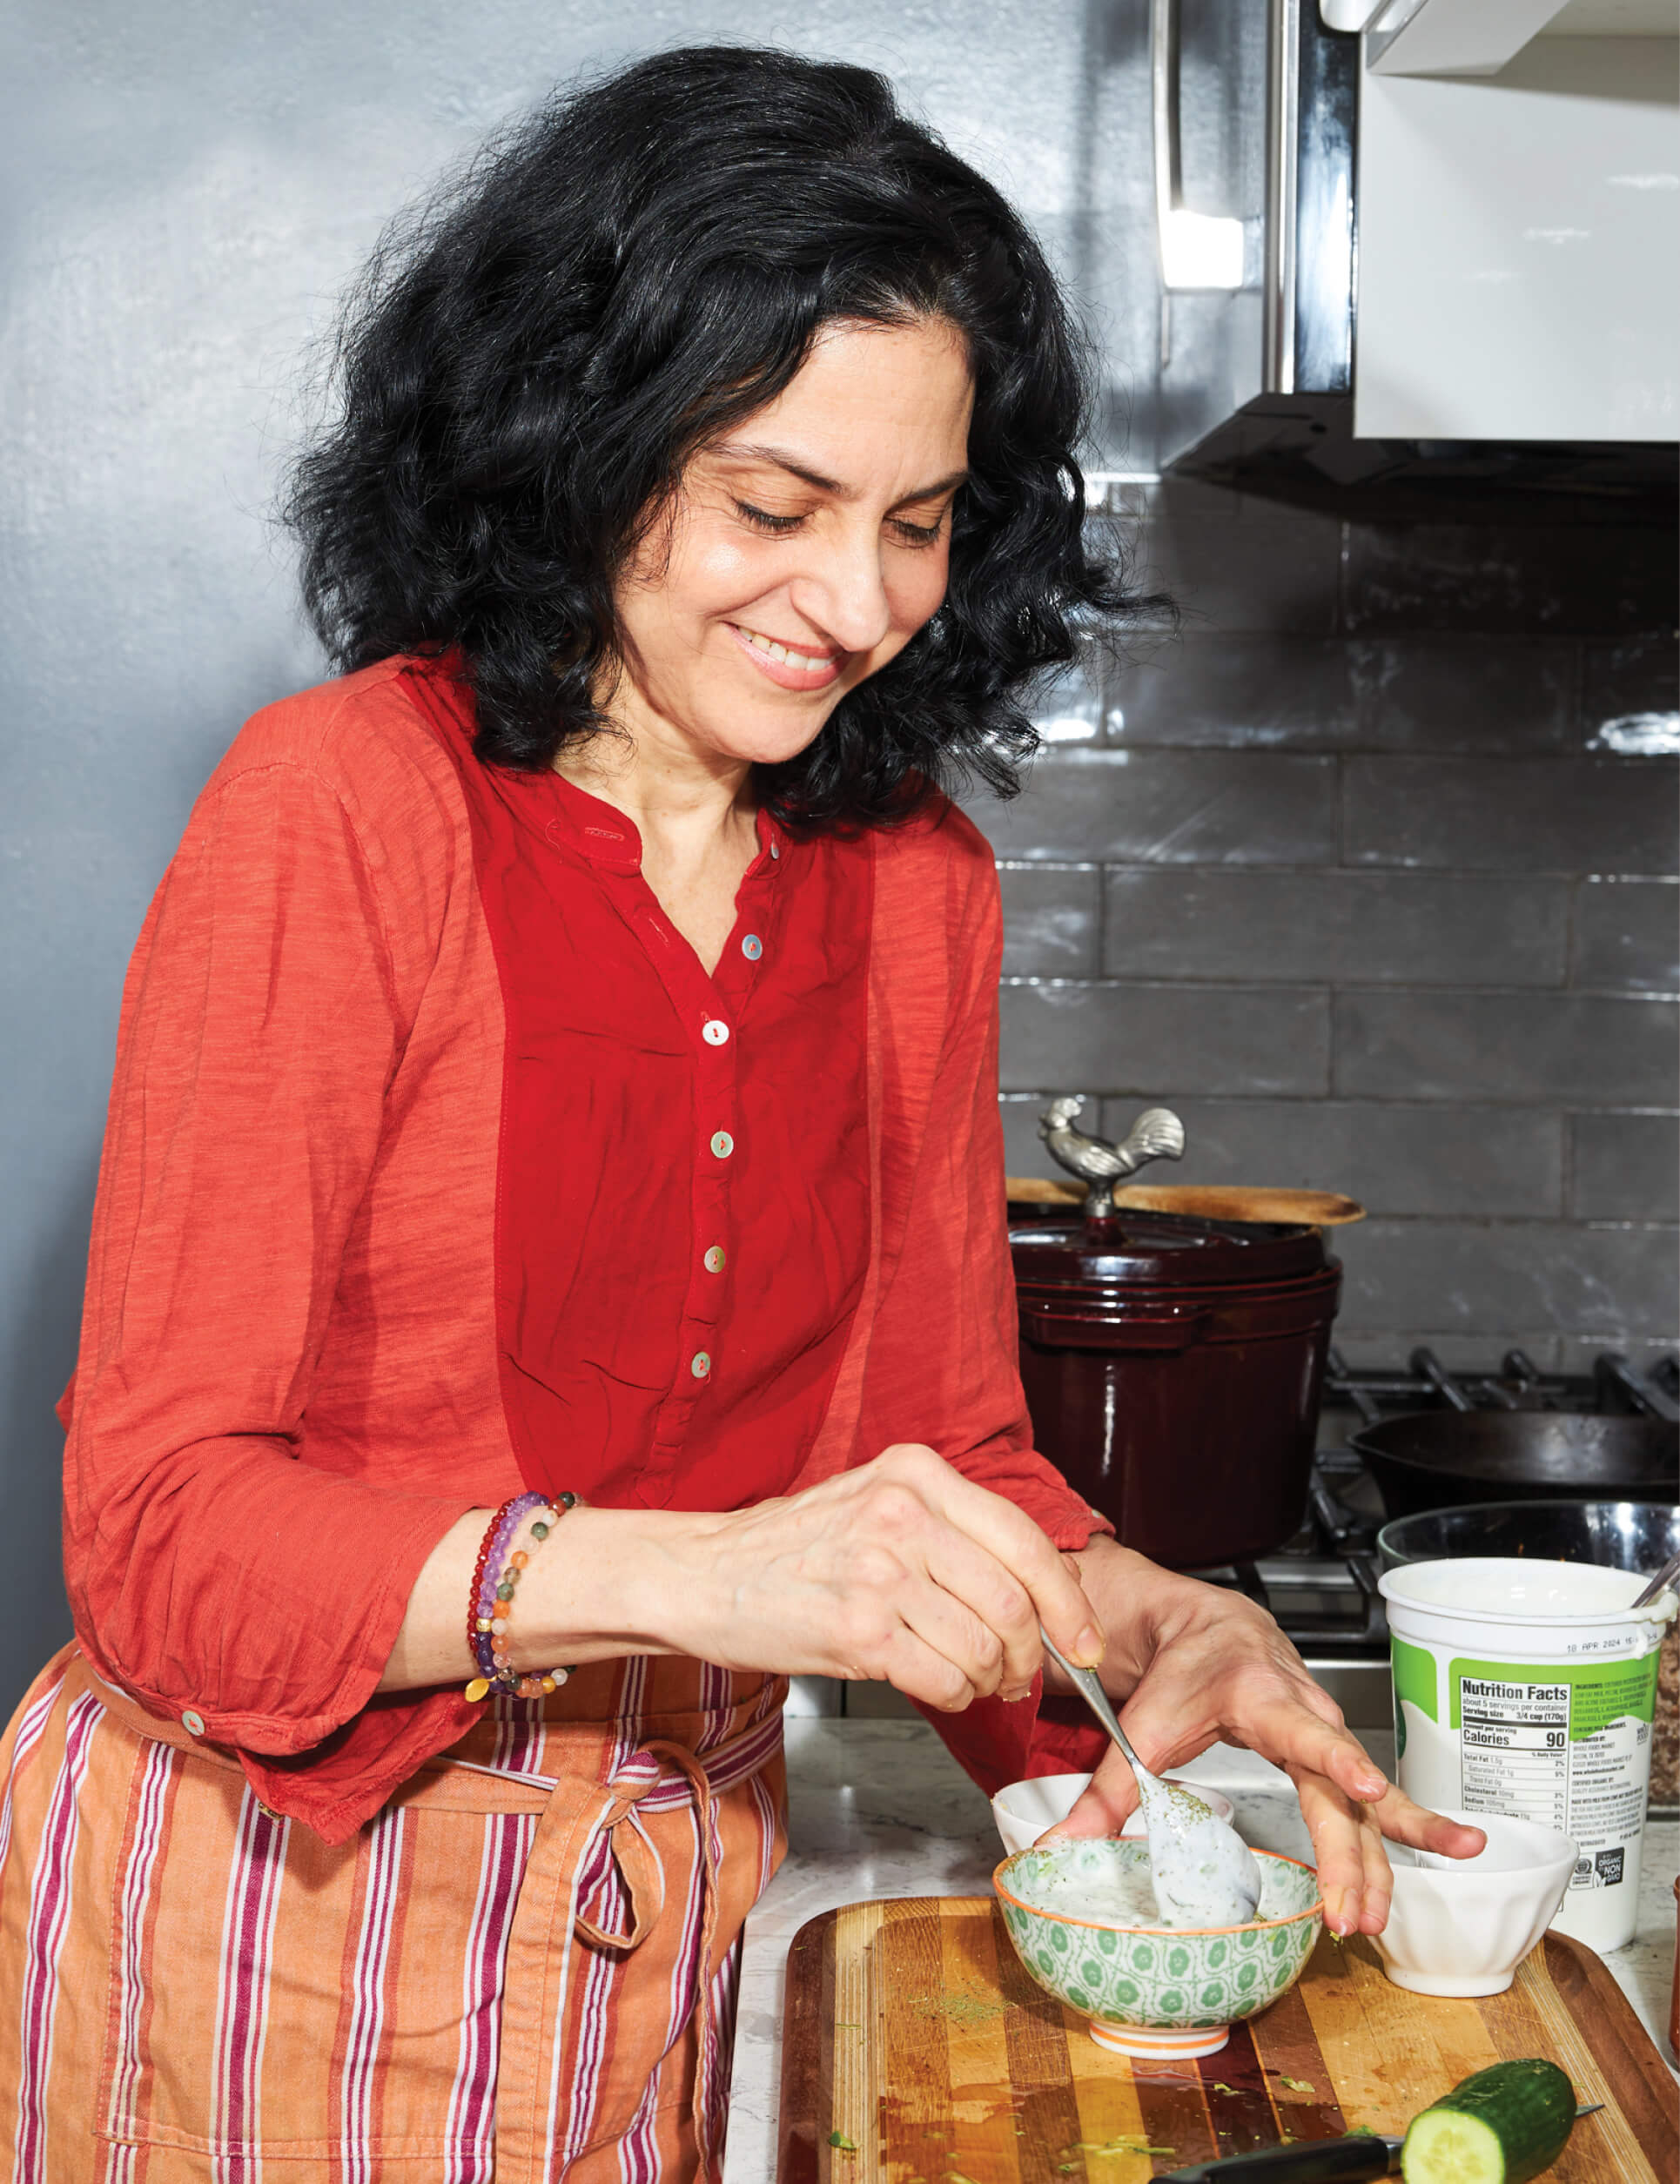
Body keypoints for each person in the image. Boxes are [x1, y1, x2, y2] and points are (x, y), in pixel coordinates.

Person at [0, 46, 1480, 2182]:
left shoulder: (908, 884)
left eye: (916, 520)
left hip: (662, 1909)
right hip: (271, 1921)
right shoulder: (344, 809)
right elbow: (158, 1544)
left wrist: (1125, 1616)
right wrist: (709, 1572)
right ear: (577, 450)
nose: (860, 601)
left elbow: (940, 1451)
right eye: (771, 506)